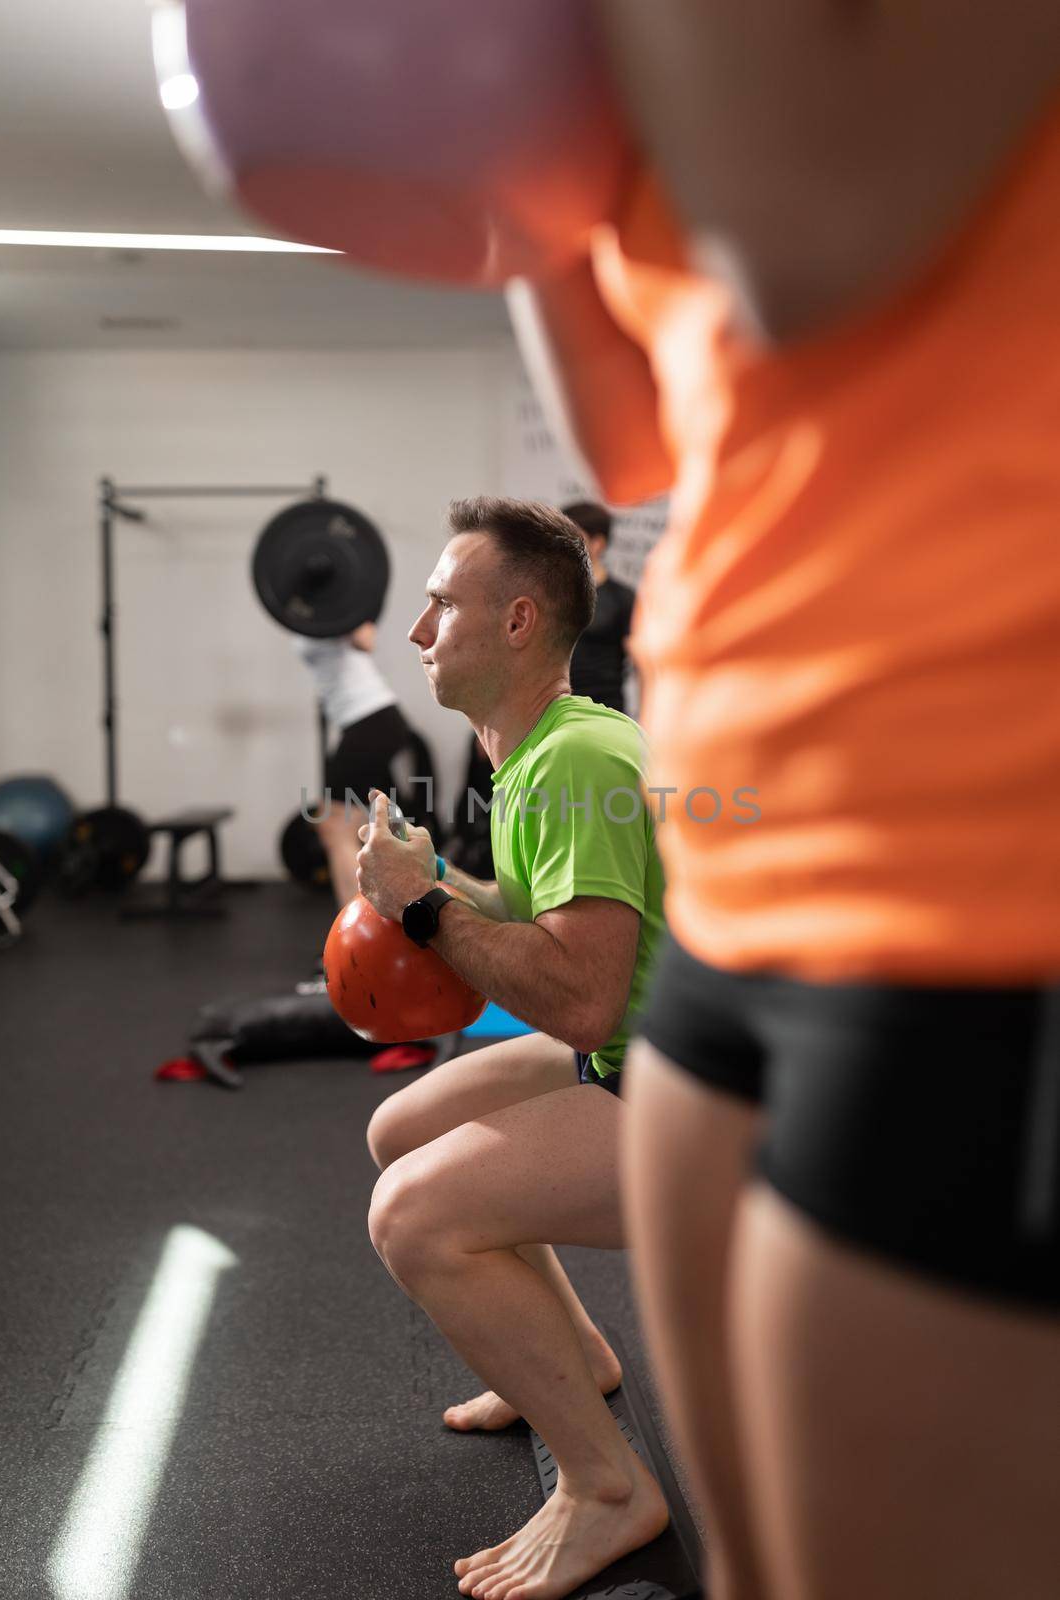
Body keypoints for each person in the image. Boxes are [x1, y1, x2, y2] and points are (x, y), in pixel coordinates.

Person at [508, 13, 1060, 1600]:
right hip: (751, 864)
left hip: (973, 858)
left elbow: (806, 231)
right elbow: (630, 435)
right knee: (754, 1566)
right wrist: (506, 173)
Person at [356, 496, 669, 1599]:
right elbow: (540, 928)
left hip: (699, 1098)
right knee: (404, 1126)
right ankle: (571, 1357)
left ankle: (608, 1489)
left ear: (520, 621)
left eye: (440, 604)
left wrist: (427, 913)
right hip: (636, 1050)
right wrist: (433, 884)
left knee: (413, 1214)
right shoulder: (536, 751)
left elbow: (577, 999)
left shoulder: (577, 763)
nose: (417, 630)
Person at [293, 621, 437, 907]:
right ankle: (397, 913)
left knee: (335, 826)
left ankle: (352, 935)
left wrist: (340, 618)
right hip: (363, 724)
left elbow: (365, 638)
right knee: (376, 823)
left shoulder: (340, 602)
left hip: (371, 720)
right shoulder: (304, 605)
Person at [560, 501, 637, 714]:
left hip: (606, 710)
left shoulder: (622, 598)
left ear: (598, 543)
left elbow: (642, 665)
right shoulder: (551, 595)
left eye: (573, 537)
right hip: (555, 710)